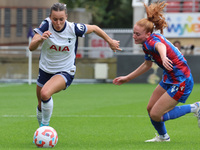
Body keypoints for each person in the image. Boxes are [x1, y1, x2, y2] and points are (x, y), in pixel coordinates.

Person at [113, 1, 200, 142]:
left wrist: (164, 56)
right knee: (150, 108)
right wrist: (128, 78)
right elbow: (147, 65)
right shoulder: (146, 44)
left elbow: (160, 45)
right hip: (170, 78)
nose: (134, 36)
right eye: (133, 33)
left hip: (181, 80)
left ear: (148, 34)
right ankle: (163, 137)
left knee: (156, 114)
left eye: (137, 34)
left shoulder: (152, 41)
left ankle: (195, 107)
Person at [29, 3, 121, 127]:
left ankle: (45, 127)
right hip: (45, 70)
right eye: (55, 19)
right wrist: (40, 39)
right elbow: (31, 47)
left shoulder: (74, 28)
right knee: (40, 104)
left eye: (61, 19)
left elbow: (94, 28)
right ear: (50, 17)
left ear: (66, 17)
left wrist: (110, 41)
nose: (58, 22)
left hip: (65, 71)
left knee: (45, 93)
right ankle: (42, 130)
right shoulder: (45, 25)